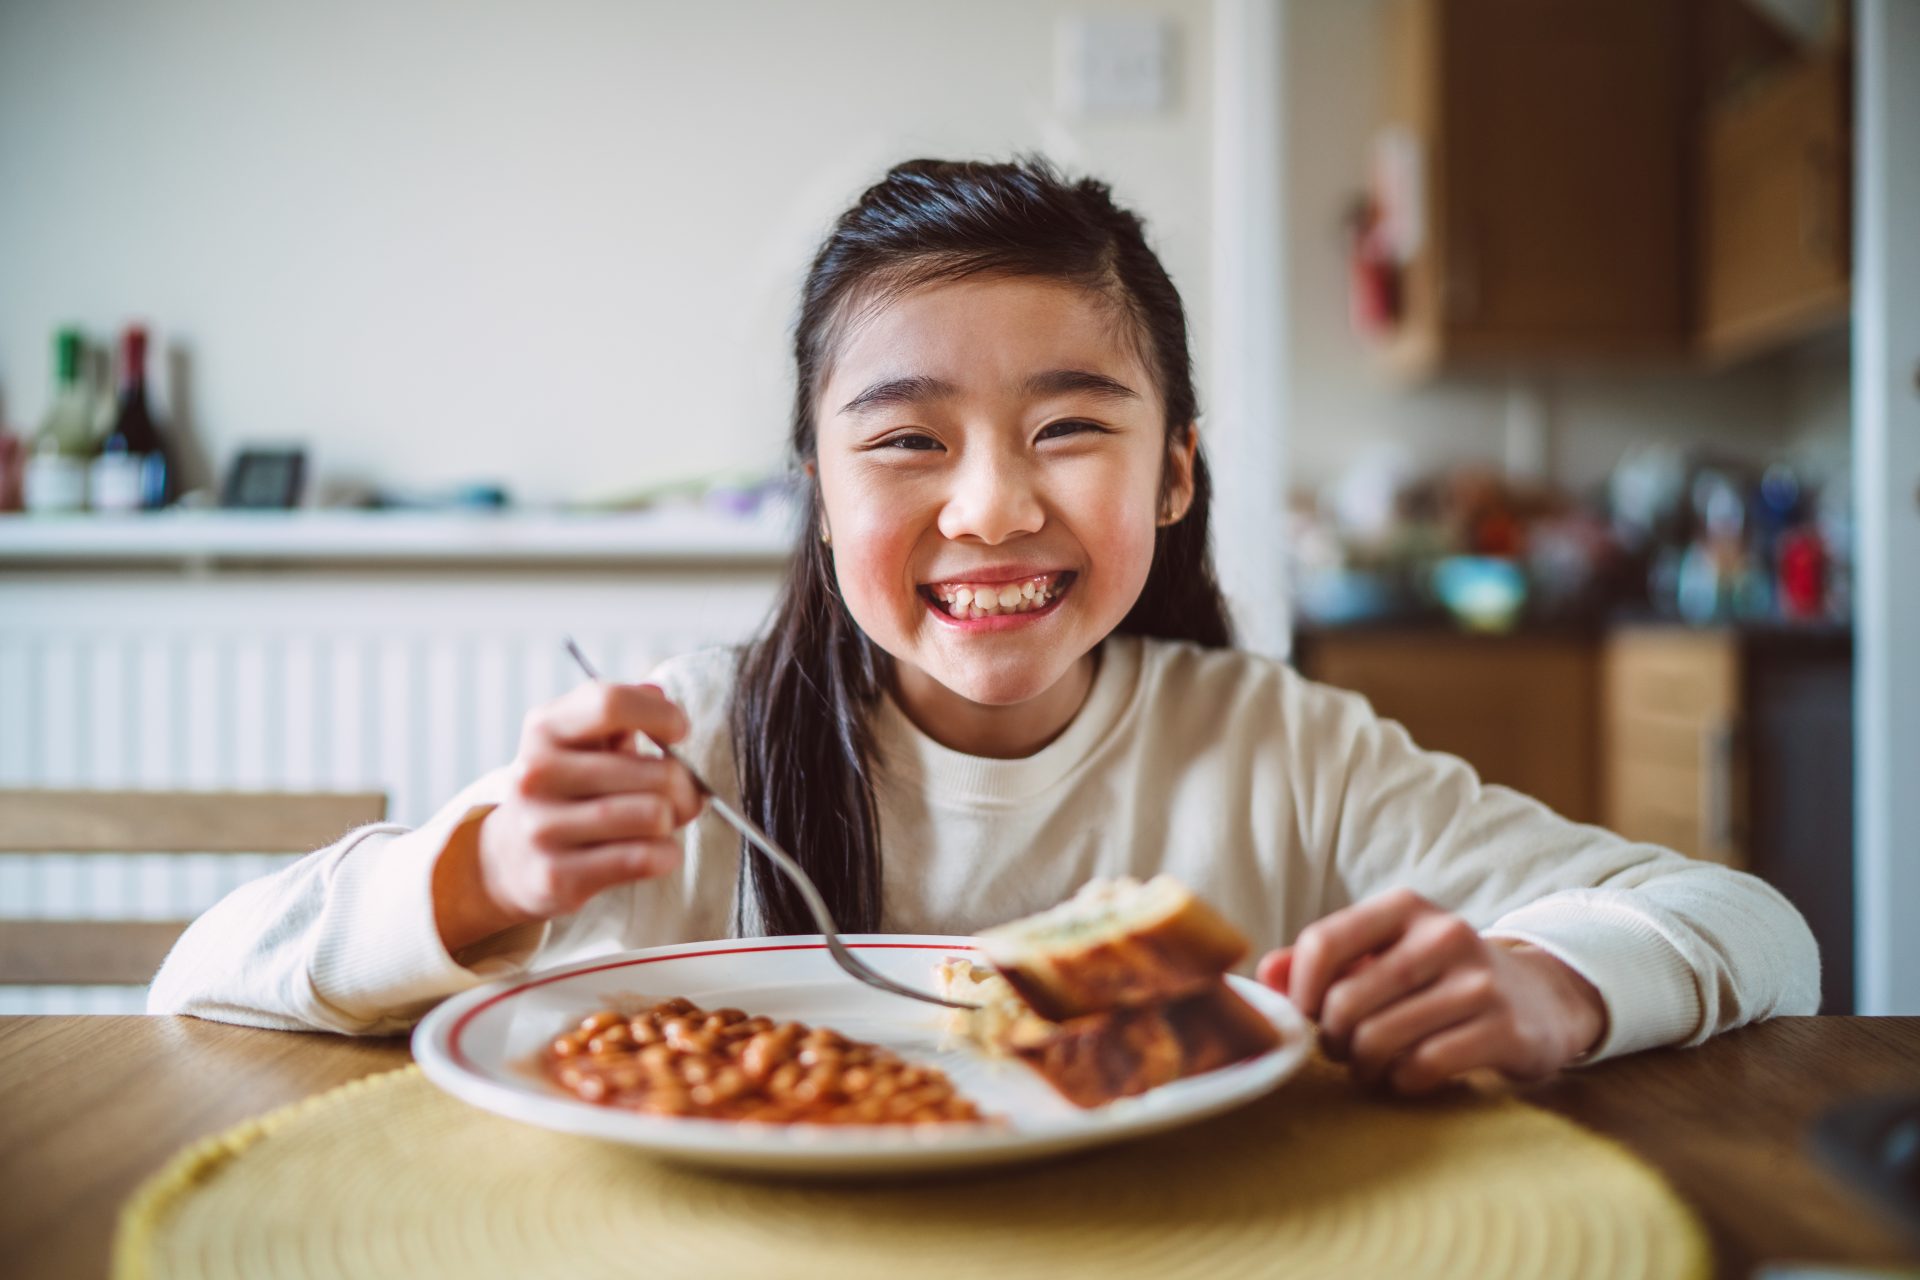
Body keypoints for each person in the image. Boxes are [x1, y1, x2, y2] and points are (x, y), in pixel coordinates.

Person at [151, 157, 1817, 1093]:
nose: (993, 507)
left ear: (1175, 476)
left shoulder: (1282, 751)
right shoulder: (693, 747)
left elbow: (1752, 925)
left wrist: (1548, 987)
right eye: (905, 441)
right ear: (814, 486)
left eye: (1072, 426)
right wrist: (489, 877)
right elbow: (203, 978)